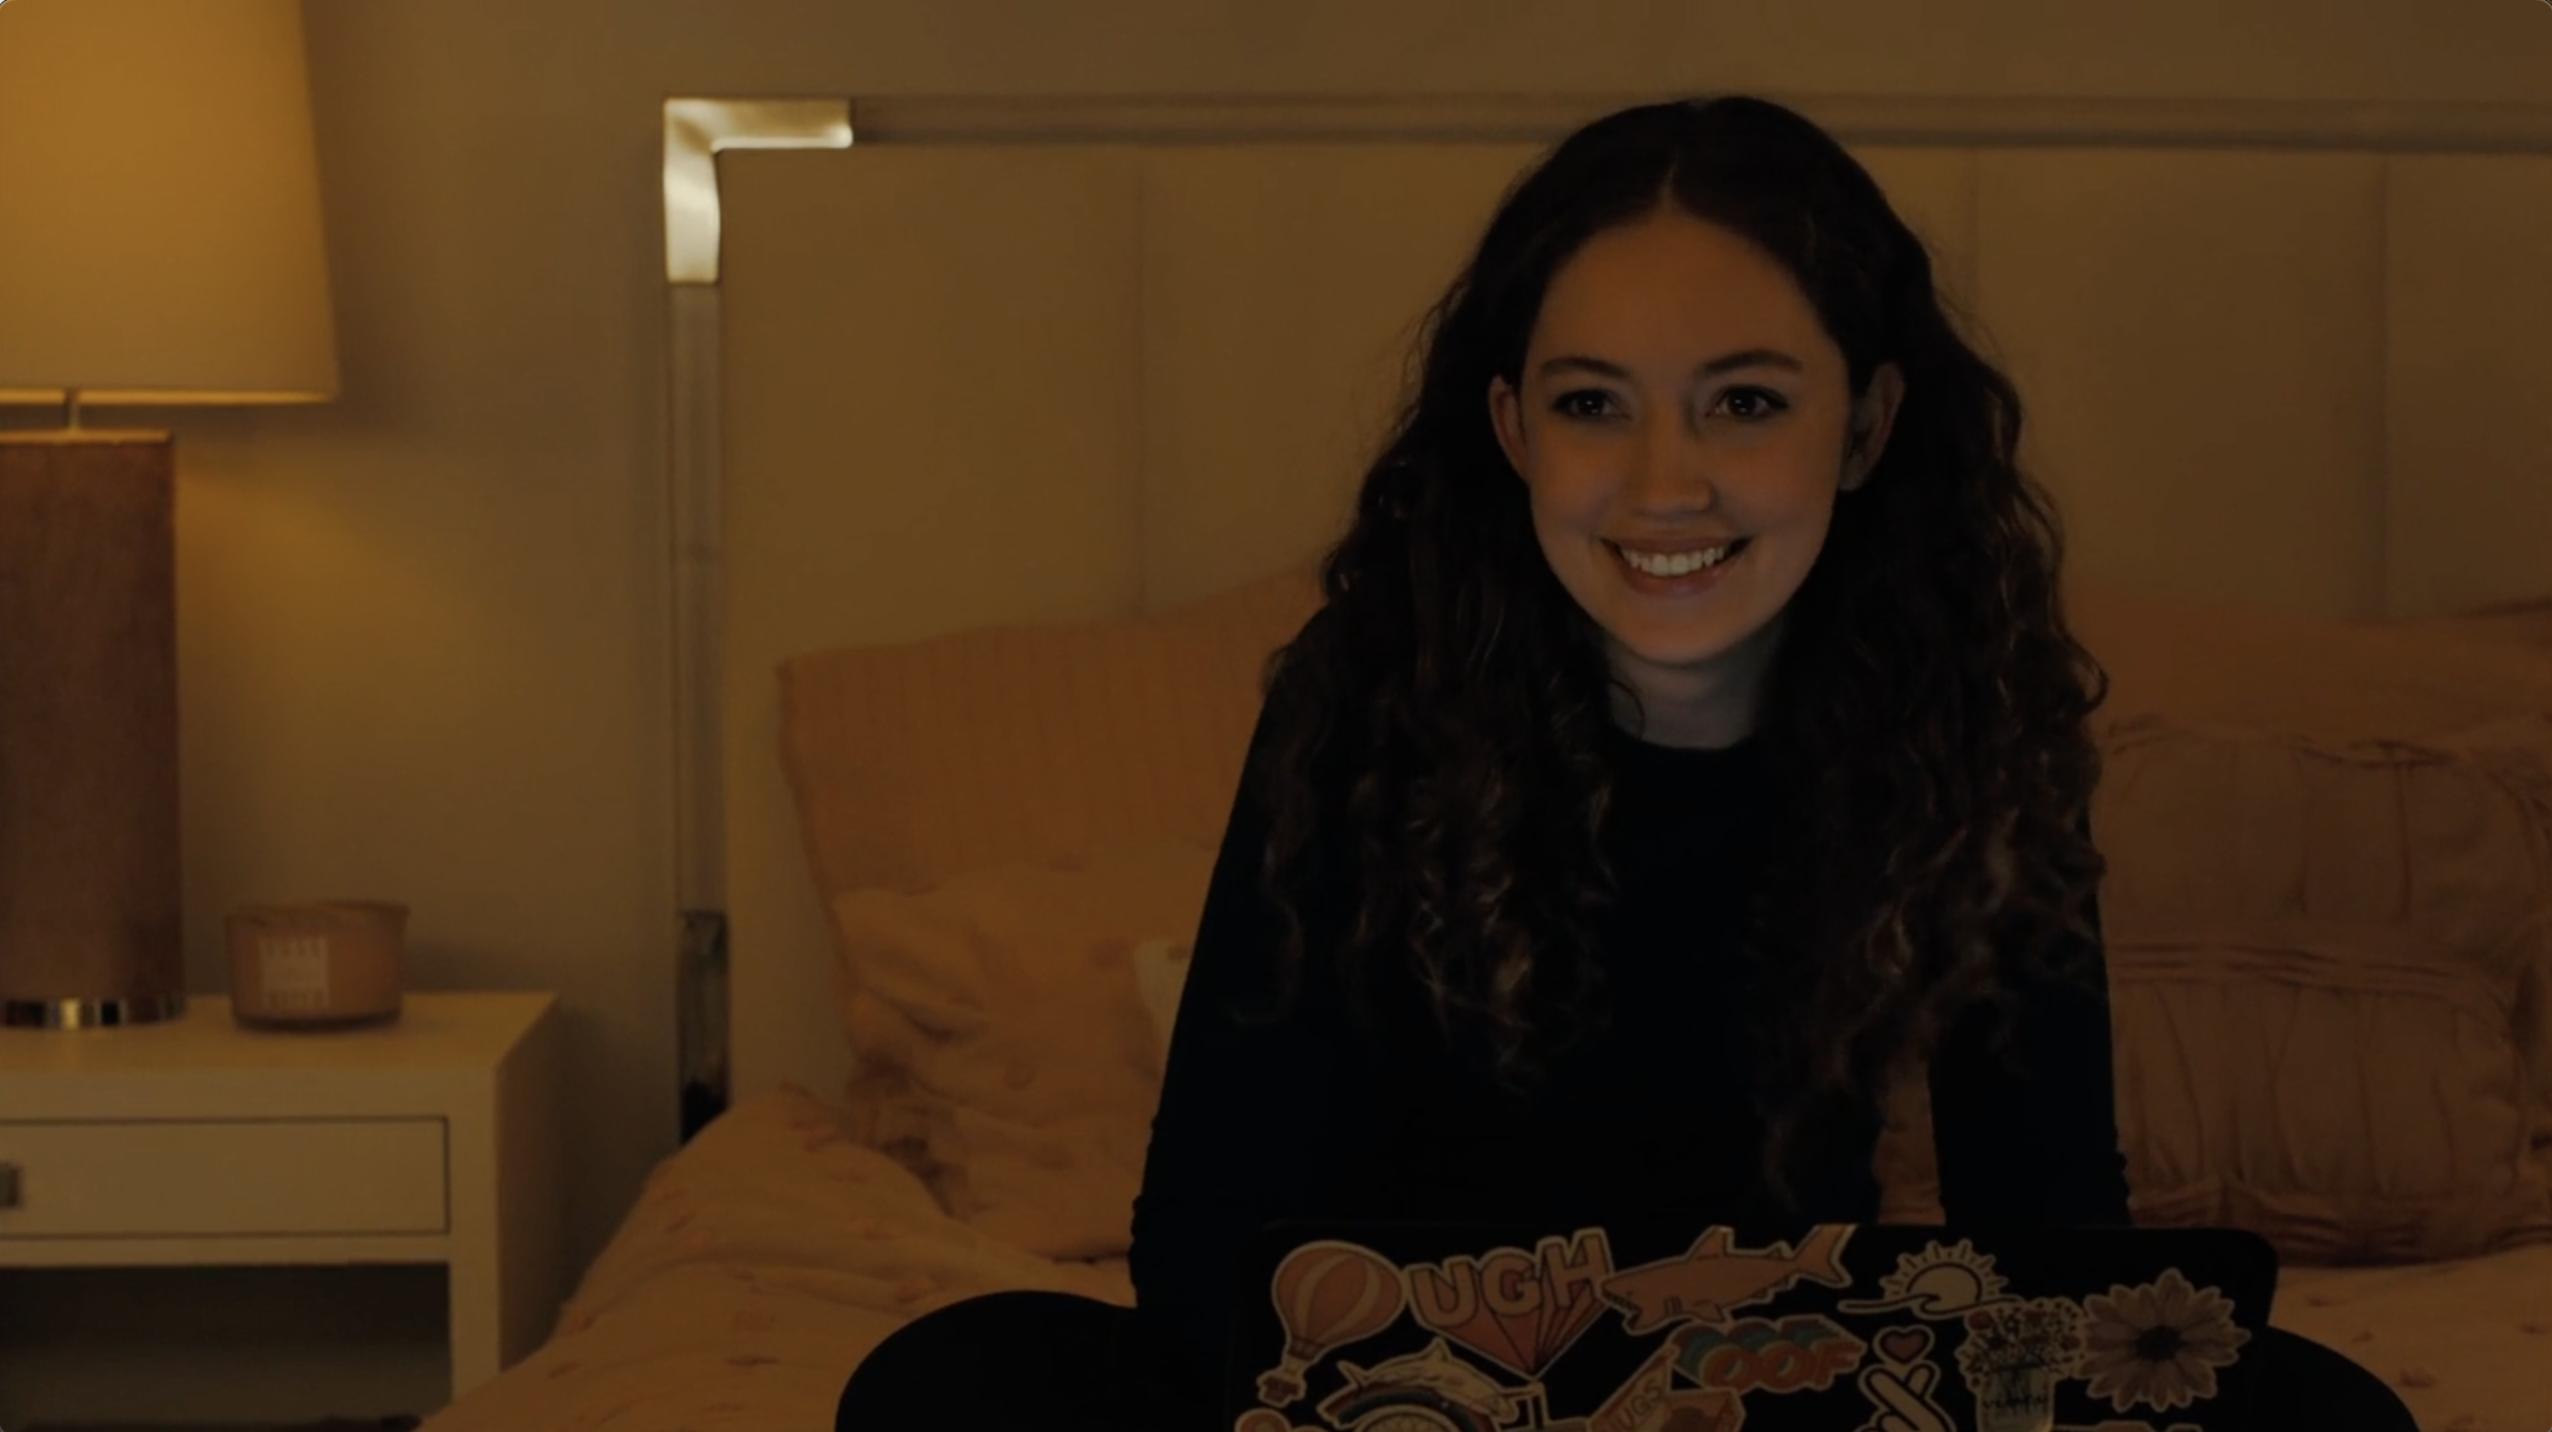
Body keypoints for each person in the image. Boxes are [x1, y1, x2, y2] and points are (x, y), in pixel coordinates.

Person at [835, 93, 2420, 1431]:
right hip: (1400, 1409)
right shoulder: (1370, 697)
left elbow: (2055, 1239)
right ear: (1514, 429)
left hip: (1784, 1396)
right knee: (954, 1381)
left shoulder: (1968, 726)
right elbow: (1204, 1239)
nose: (1667, 485)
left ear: (1867, 426)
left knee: (2320, 1412)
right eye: (1596, 404)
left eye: (1745, 402)